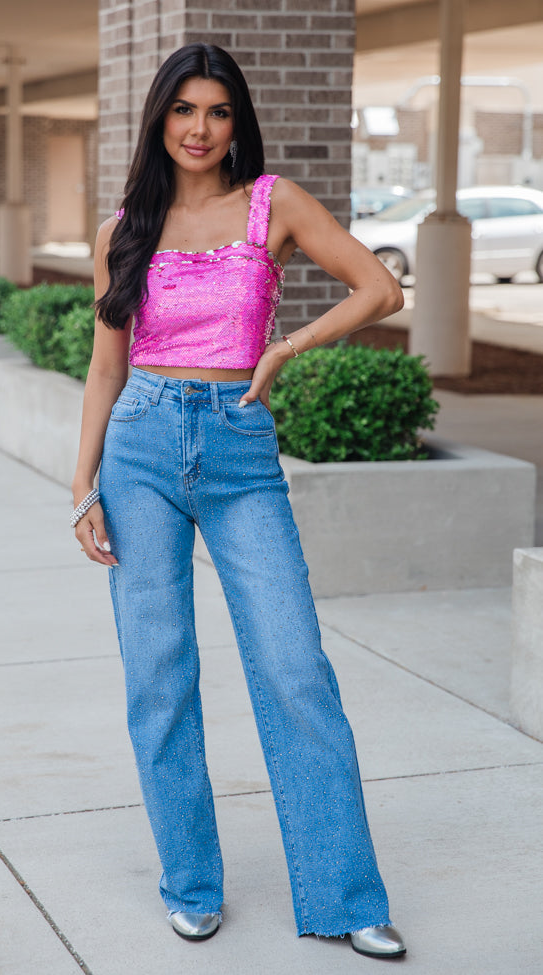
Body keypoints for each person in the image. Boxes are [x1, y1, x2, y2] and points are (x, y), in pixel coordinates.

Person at [71, 43, 406, 959]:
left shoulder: (275, 203)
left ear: (236, 122)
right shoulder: (123, 230)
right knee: (159, 675)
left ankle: (345, 892)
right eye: (183, 110)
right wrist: (83, 486)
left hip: (238, 442)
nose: (199, 128)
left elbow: (379, 286)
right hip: (137, 446)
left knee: (294, 665)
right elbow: (106, 366)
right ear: (159, 119)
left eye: (217, 111)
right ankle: (191, 883)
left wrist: (284, 348)